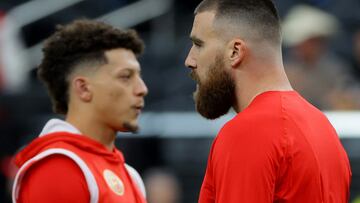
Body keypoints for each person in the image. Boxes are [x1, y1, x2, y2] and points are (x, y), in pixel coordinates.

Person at [184, 0, 351, 202]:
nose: (189, 60)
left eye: (199, 44)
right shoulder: (325, 129)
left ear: (235, 52)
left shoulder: (246, 133)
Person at [12, 19, 148, 203]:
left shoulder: (130, 175)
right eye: (126, 77)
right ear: (83, 88)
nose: (142, 89)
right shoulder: (59, 166)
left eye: (138, 76)